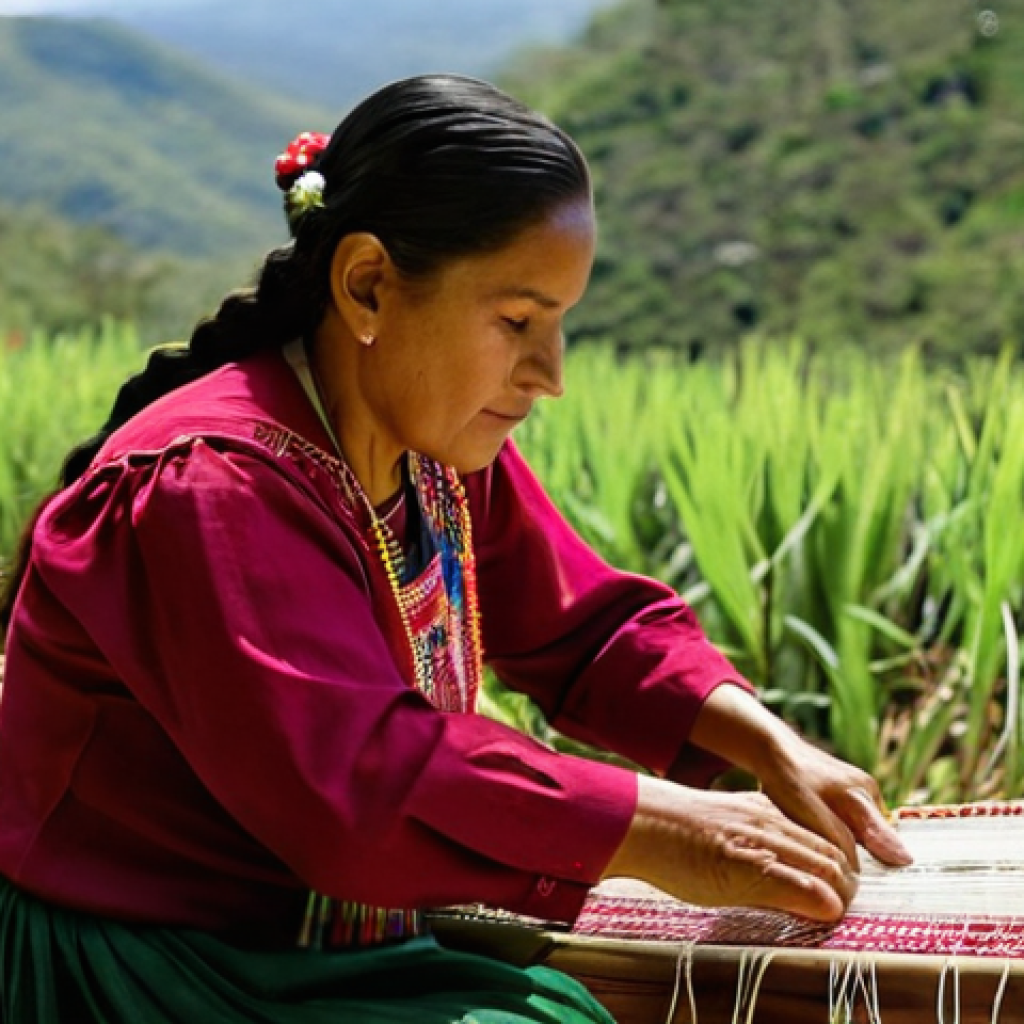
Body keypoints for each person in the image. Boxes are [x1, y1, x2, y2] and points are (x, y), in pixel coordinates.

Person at [0, 75, 911, 1024]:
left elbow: (586, 630)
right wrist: (662, 830)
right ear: (366, 287)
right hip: (160, 961)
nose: (549, 374)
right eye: (517, 322)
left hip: (332, 939)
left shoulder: (431, 449)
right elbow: (356, 776)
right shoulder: (210, 486)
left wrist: (766, 744)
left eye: (561, 324)